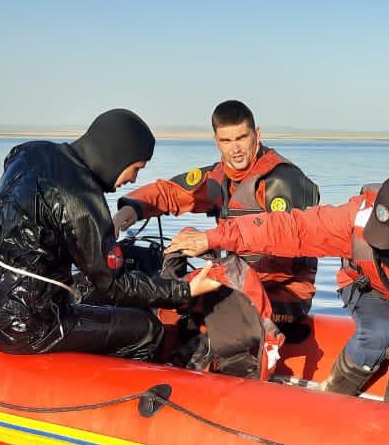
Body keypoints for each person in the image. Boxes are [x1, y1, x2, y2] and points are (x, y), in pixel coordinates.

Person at [166, 171, 389, 407]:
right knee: (380, 333)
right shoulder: (352, 219)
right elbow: (289, 228)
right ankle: (333, 402)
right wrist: (214, 236)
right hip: (369, 287)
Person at [0, 108, 220, 360]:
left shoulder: (29, 152)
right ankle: (123, 395)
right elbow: (114, 285)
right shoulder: (81, 196)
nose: (133, 179)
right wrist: (184, 290)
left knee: (96, 290)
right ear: (116, 155)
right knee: (147, 329)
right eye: (135, 168)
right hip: (29, 327)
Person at [113, 100, 320, 334]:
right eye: (226, 141)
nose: (235, 149)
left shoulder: (283, 181)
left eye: (242, 137)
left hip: (282, 293)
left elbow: (284, 242)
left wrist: (211, 244)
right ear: (216, 142)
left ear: (257, 134)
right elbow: (170, 192)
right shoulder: (220, 177)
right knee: (157, 284)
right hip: (239, 280)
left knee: (186, 295)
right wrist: (125, 213)